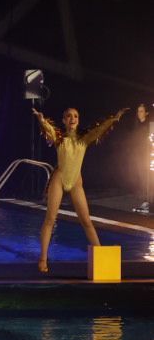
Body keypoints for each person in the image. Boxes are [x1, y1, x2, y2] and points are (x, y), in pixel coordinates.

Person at [33, 105, 127, 273]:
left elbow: (100, 130)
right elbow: (48, 128)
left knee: (87, 221)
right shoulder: (60, 139)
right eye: (68, 116)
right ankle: (43, 259)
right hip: (59, 179)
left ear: (78, 120)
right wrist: (41, 119)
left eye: (75, 116)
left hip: (76, 181)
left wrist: (115, 118)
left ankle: (101, 257)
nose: (72, 118)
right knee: (50, 219)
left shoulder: (84, 139)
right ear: (64, 120)